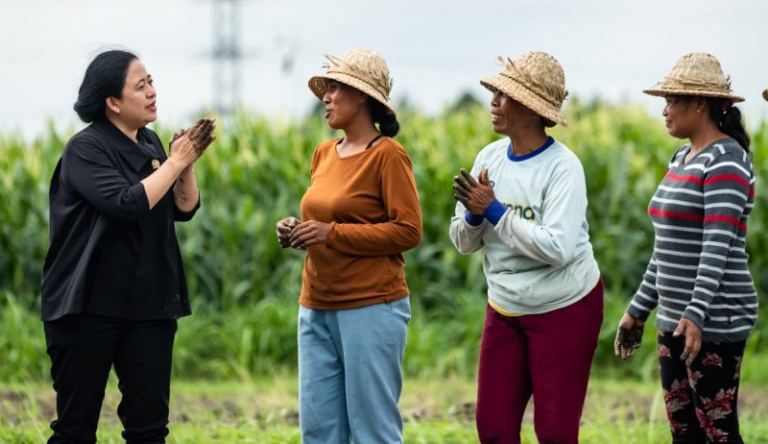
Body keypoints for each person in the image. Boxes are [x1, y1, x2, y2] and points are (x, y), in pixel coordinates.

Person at [41, 50, 214, 444]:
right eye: (141, 86)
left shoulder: (151, 144)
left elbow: (183, 209)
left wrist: (185, 164)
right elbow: (126, 204)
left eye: (151, 81)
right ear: (112, 103)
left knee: (149, 430)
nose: (153, 91)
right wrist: (175, 162)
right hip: (86, 308)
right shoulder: (85, 149)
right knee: (75, 429)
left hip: (148, 307)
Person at [449, 52, 603, 444]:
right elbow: (463, 243)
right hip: (505, 306)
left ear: (533, 109)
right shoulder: (489, 158)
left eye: (505, 95)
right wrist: (472, 216)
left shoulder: (563, 167)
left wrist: (494, 210)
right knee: (494, 428)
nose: (493, 102)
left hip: (564, 306)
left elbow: (558, 248)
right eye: (494, 93)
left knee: (554, 432)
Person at [275, 48, 422, 444]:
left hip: (371, 307)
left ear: (361, 96)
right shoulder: (324, 153)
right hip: (316, 305)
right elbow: (323, 219)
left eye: (336, 88)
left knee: (372, 431)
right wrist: (297, 229)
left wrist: (331, 233)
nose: (326, 97)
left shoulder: (388, 156)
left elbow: (408, 231)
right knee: (320, 430)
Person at [616, 52, 758, 444]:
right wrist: (639, 309)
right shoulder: (682, 157)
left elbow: (716, 246)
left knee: (718, 432)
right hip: (677, 320)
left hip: (715, 321)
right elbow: (666, 250)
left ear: (700, 103)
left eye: (672, 101)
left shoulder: (727, 161)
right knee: (684, 432)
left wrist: (696, 314)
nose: (664, 111)